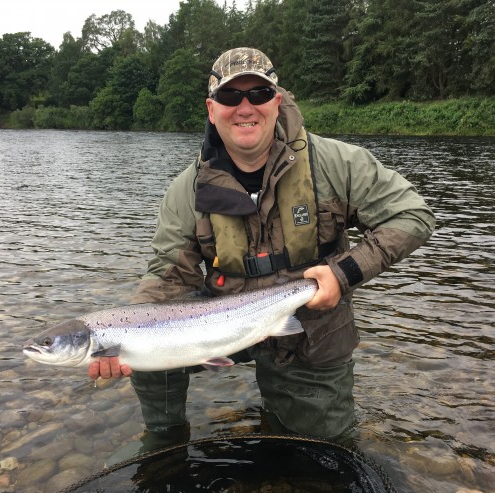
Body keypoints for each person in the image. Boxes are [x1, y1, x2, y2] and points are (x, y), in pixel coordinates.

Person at [88, 48, 435, 444]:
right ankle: (165, 443)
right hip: (221, 322)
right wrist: (125, 335)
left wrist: (345, 273)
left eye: (258, 94)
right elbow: (169, 274)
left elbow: (412, 215)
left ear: (277, 100)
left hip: (310, 327)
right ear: (211, 108)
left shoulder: (336, 163)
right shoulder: (187, 189)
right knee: (147, 353)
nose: (244, 107)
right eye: (230, 97)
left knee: (321, 449)